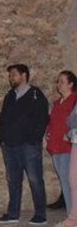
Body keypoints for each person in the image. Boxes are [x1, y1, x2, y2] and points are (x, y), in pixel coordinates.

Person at [0, 64, 49, 225]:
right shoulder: (10, 96)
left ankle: (40, 214)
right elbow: (3, 119)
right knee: (13, 180)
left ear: (24, 75)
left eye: (13, 74)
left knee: (35, 179)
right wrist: (2, 138)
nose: (11, 78)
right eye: (10, 75)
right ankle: (13, 214)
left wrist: (34, 139)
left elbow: (42, 119)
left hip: (28, 145)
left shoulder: (35, 94)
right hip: (10, 145)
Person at [46, 71, 77, 216]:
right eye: (58, 81)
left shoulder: (74, 101)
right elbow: (53, 121)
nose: (59, 84)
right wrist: (48, 132)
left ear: (71, 84)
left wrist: (68, 134)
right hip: (56, 145)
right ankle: (71, 213)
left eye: (62, 81)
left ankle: (72, 214)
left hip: (68, 146)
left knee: (68, 180)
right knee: (63, 179)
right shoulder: (57, 103)